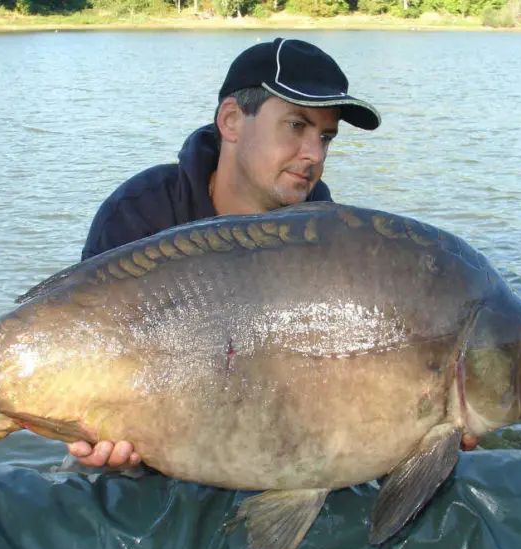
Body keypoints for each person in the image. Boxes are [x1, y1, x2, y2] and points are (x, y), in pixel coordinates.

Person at [67, 37, 381, 470]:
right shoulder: (141, 211)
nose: (314, 154)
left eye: (325, 136)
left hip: (264, 447)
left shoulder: (330, 238)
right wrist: (93, 435)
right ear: (232, 121)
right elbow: (80, 348)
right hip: (144, 445)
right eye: (296, 126)